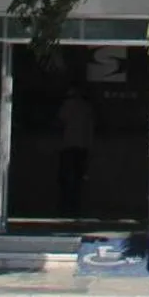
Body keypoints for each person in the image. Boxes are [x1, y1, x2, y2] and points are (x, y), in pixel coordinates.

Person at [57, 83, 95, 218]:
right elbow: (90, 128)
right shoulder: (86, 107)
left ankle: (66, 207)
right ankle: (75, 206)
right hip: (82, 146)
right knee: (78, 178)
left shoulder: (68, 105)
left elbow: (61, 120)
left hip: (68, 145)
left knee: (66, 178)